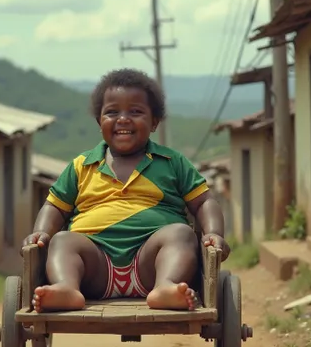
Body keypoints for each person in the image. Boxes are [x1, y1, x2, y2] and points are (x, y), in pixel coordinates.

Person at [22, 68, 230, 313]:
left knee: (181, 234)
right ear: (99, 121)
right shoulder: (81, 165)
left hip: (151, 265)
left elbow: (204, 201)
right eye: (112, 112)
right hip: (94, 269)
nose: (123, 119)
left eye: (135, 111)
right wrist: (41, 233)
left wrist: (214, 233)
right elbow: (54, 206)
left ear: (154, 122)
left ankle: (166, 287)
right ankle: (67, 287)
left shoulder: (172, 162)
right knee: (63, 240)